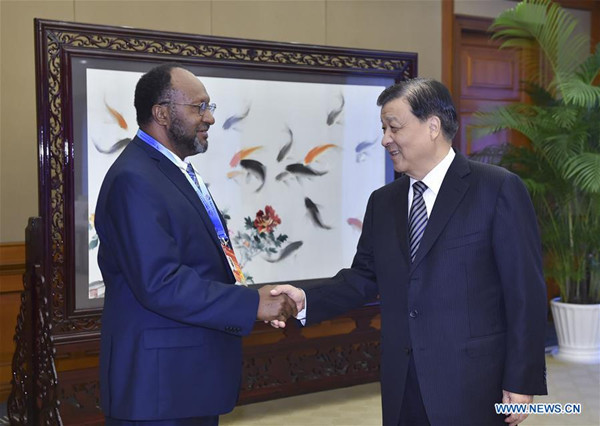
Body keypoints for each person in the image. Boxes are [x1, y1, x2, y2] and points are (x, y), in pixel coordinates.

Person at [272, 78, 548, 425]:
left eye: (394, 127)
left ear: (433, 126)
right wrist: (306, 300)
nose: (385, 138)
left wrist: (521, 380)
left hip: (475, 383)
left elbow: (525, 293)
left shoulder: (497, 189)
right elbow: (362, 277)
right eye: (383, 128)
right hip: (403, 381)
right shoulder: (383, 202)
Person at [95, 63, 297, 425]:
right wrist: (252, 304)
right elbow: (161, 283)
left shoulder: (170, 170)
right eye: (198, 107)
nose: (210, 119)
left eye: (210, 107)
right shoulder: (135, 179)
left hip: (184, 381)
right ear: (161, 113)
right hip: (158, 389)